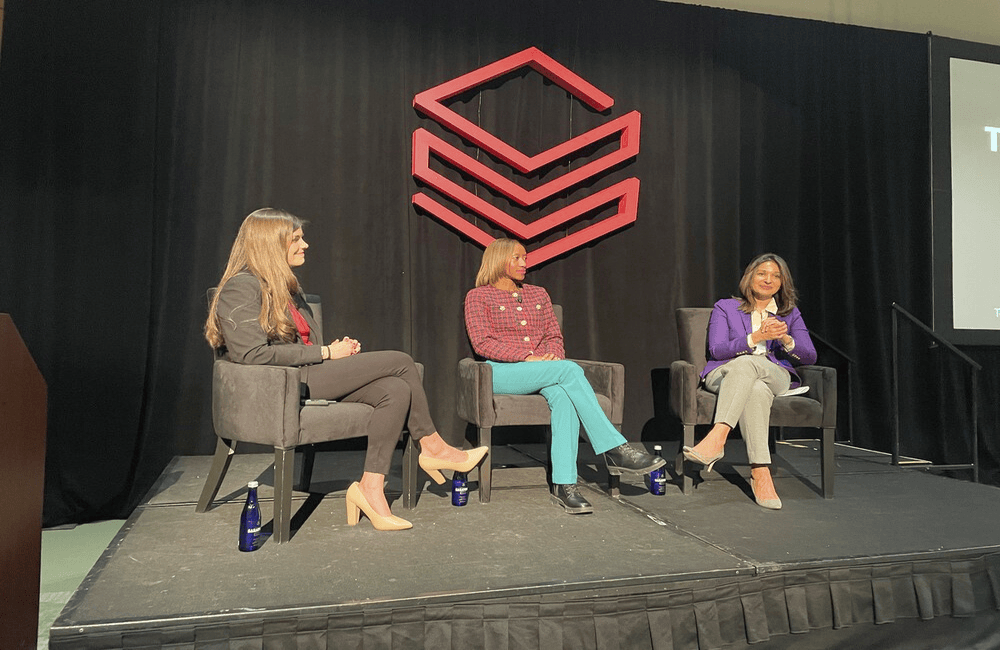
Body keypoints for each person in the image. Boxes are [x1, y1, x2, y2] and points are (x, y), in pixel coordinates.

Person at [205, 208, 487, 531]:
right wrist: (325, 352)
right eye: (296, 239)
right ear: (271, 243)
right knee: (401, 361)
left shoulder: (287, 289)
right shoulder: (240, 288)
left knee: (397, 390)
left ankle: (370, 486)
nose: (305, 245)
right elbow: (252, 355)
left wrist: (335, 354)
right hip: (285, 384)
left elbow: (302, 345)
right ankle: (433, 447)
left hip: (312, 374)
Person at [464, 238, 665, 515]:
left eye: (525, 257)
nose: (525, 263)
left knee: (563, 396)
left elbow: (553, 336)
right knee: (569, 369)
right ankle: (614, 448)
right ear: (499, 260)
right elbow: (482, 343)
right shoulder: (478, 296)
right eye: (517, 258)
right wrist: (527, 357)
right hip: (498, 372)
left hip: (542, 369)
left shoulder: (539, 294)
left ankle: (564, 486)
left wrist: (550, 356)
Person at [682, 253, 817, 509]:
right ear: (750, 277)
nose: (769, 279)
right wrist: (755, 338)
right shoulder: (726, 307)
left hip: (775, 375)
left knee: (752, 369)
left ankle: (717, 438)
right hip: (725, 374)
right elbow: (718, 350)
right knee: (752, 382)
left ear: (782, 283)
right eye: (762, 273)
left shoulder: (790, 314)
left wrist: (786, 339)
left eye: (776, 276)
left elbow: (809, 356)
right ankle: (760, 472)